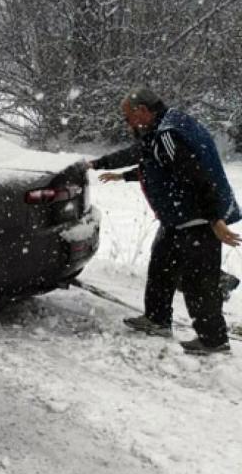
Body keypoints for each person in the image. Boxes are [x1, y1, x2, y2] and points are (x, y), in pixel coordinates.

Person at [89, 87, 241, 355]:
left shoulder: (167, 134)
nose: (127, 123)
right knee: (161, 267)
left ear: (143, 111)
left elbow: (197, 177)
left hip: (196, 217)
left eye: (128, 117)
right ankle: (157, 320)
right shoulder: (165, 126)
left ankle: (214, 341)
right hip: (178, 219)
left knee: (199, 282)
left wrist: (214, 219)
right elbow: (155, 163)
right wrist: (113, 171)